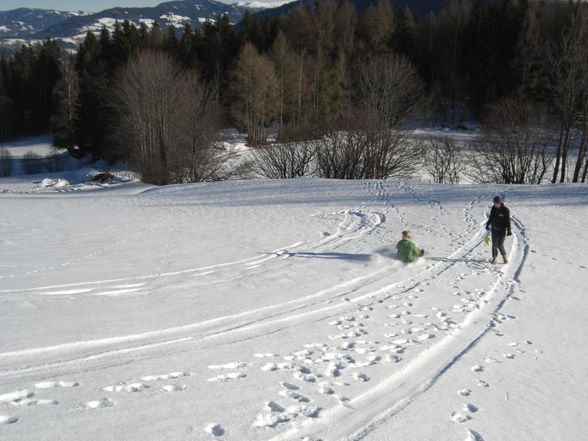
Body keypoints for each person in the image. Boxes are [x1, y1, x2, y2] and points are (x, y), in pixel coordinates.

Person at [485, 196, 512, 264]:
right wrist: (488, 224)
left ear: (500, 203)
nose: (495, 204)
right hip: (494, 229)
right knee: (494, 245)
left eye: (497, 203)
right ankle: (495, 258)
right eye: (494, 203)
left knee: (500, 245)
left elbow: (508, 221)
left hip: (502, 230)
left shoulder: (505, 210)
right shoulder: (493, 209)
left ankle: (504, 256)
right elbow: (491, 217)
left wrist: (509, 230)